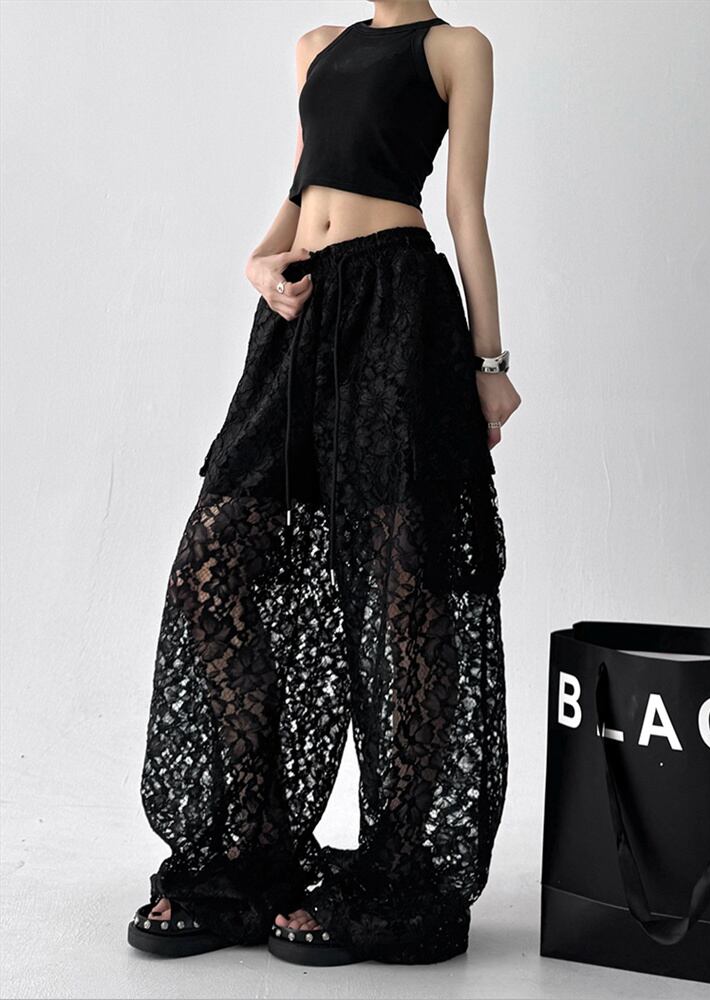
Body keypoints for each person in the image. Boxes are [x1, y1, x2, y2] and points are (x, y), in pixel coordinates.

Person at [127, 0, 522, 967]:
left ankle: (402, 870)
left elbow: (465, 210)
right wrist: (259, 265)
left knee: (404, 593)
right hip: (301, 318)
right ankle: (256, 845)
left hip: (398, 309)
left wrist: (489, 363)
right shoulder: (315, 49)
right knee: (215, 564)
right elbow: (302, 185)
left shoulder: (456, 49)